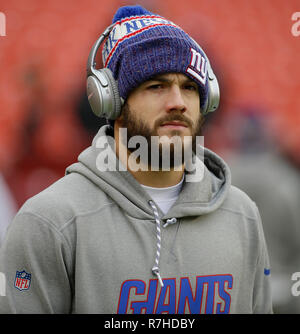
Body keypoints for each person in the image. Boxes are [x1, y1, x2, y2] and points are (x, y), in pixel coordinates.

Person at [0, 5, 272, 314]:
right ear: (112, 102)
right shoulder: (50, 222)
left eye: (190, 87)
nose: (178, 103)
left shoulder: (242, 215)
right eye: (156, 86)